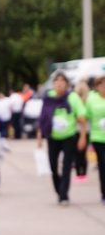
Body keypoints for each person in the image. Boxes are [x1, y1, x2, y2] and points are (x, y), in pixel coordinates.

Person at [36, 71, 88, 205]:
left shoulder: (73, 97)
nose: (59, 83)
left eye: (62, 81)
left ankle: (64, 195)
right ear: (53, 84)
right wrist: (39, 137)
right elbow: (42, 118)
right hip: (53, 137)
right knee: (53, 165)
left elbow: (82, 118)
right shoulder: (48, 98)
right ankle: (59, 189)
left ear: (67, 84)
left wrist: (82, 137)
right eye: (56, 81)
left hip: (69, 137)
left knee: (66, 166)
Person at [85, 75, 105, 203]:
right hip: (98, 137)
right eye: (101, 84)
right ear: (97, 86)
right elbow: (87, 115)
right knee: (103, 164)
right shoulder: (92, 98)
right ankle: (104, 193)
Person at [73, 80, 91, 181]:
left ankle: (80, 173)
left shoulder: (86, 102)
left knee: (79, 153)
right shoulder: (77, 102)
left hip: (80, 129)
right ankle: (82, 173)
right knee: (82, 153)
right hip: (81, 129)